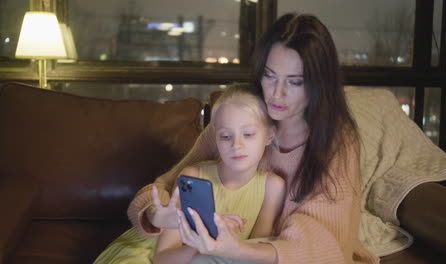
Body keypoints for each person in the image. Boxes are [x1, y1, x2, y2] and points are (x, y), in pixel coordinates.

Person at [127, 13, 379, 264]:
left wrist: (236, 250)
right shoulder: (240, 120)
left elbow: (321, 243)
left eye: (295, 82)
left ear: (318, 84)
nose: (276, 93)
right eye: (270, 76)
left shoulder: (336, 140)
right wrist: (158, 216)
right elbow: (163, 189)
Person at [93, 84, 286, 263]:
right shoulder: (193, 176)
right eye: (226, 136)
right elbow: (162, 258)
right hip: (147, 256)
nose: (237, 145)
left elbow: (253, 255)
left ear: (270, 135)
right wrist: (204, 243)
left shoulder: (273, 187)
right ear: (215, 138)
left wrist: (220, 246)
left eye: (249, 134)